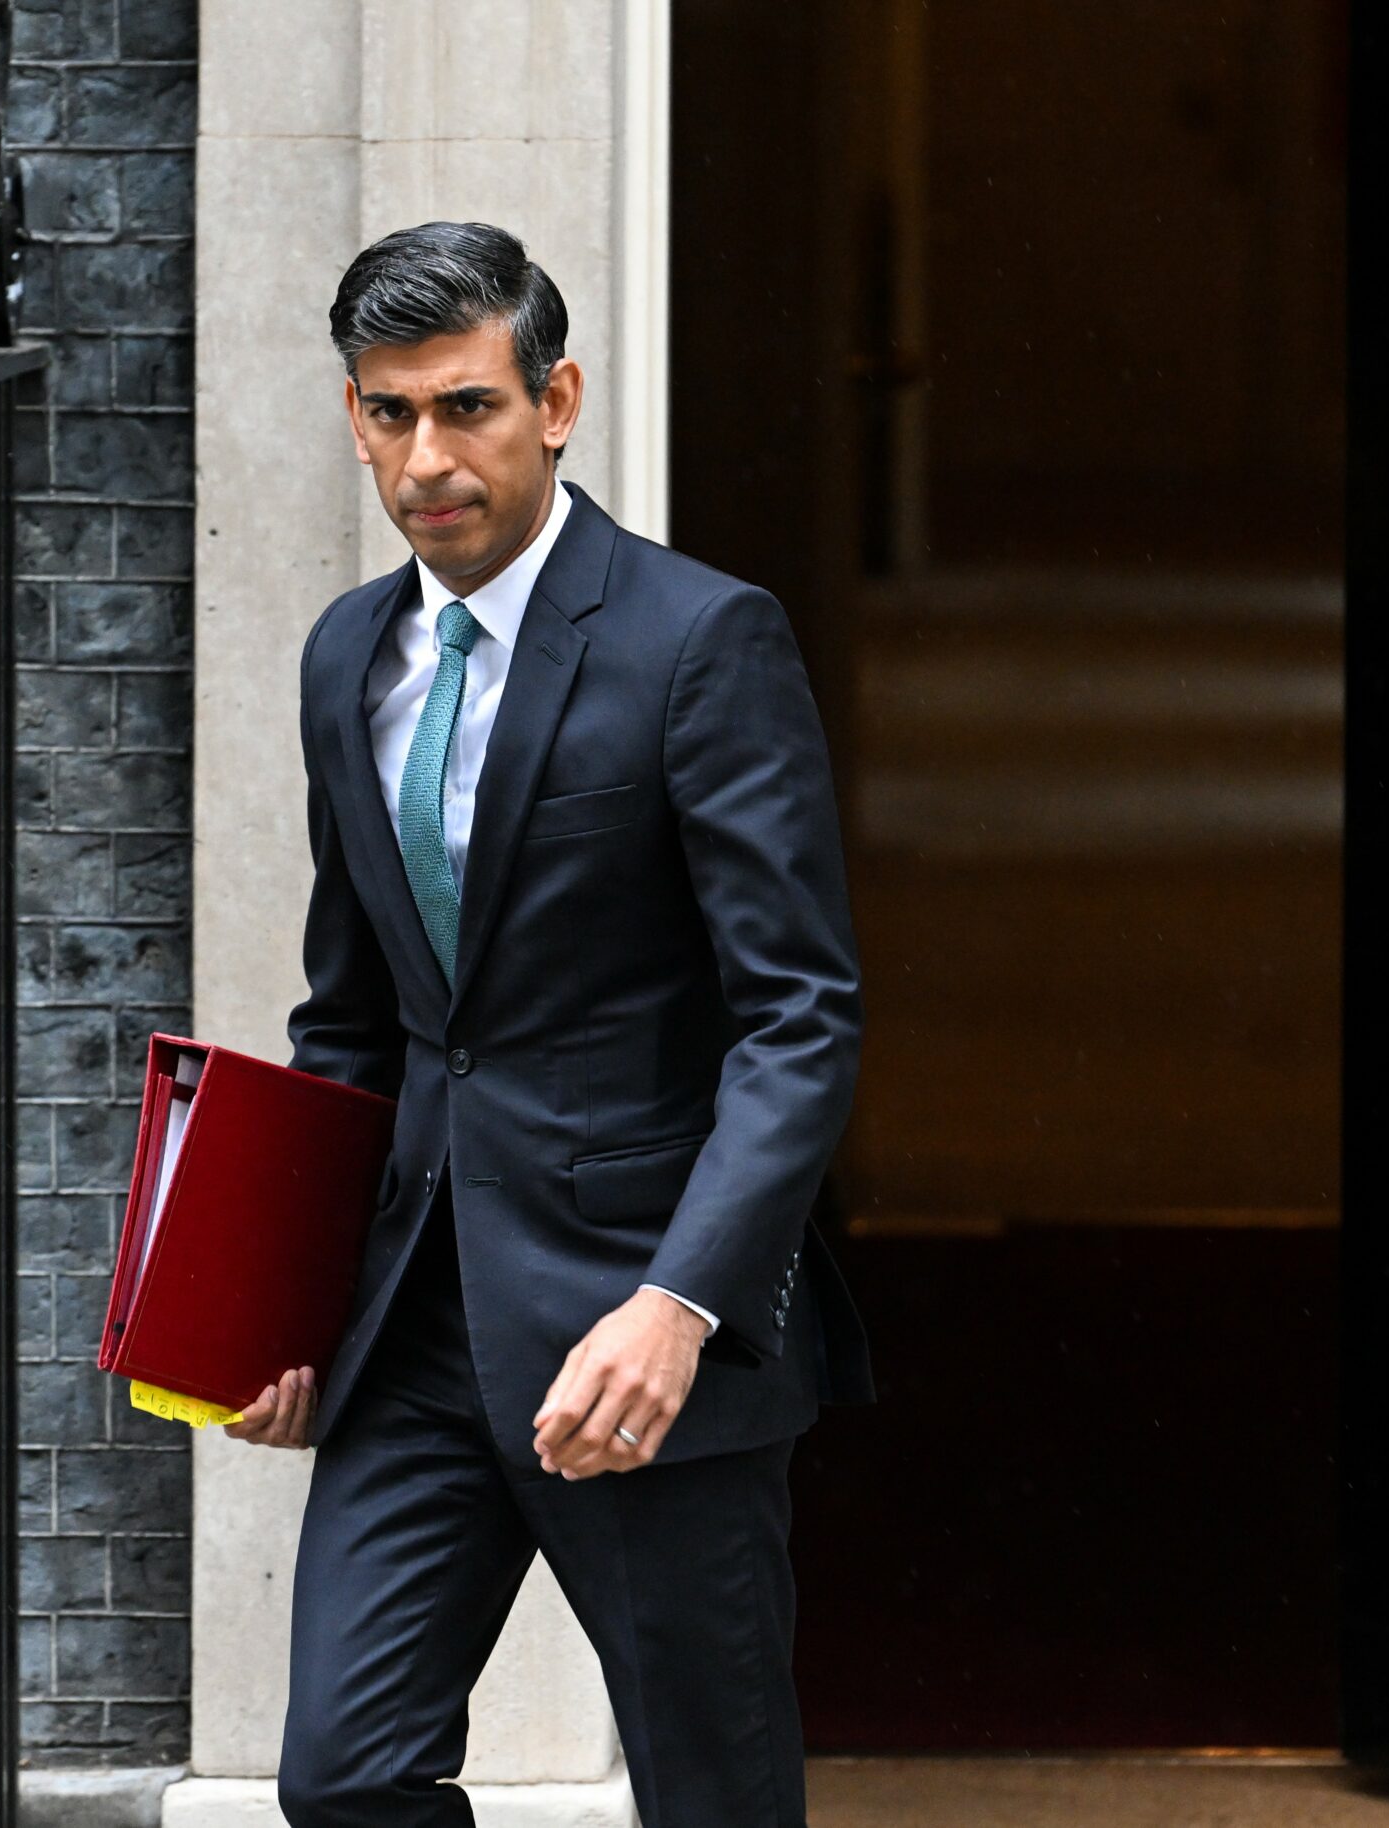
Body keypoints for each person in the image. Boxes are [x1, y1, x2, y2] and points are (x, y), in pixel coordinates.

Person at [224, 218, 874, 1828]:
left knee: (712, 1796)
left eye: (466, 408)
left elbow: (798, 1018)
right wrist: (288, 1301)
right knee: (344, 1779)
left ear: (557, 399)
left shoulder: (697, 642)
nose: (425, 457)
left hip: (637, 1330)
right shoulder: (344, 659)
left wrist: (682, 1307)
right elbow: (355, 1021)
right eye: (388, 413)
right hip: (415, 1332)